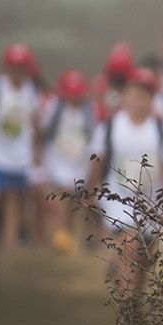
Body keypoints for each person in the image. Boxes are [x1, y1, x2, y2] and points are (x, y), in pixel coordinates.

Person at [87, 68, 163, 298]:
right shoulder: (110, 128)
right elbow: (97, 162)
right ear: (125, 96)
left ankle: (133, 301)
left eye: (145, 96)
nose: (139, 101)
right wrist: (90, 193)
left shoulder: (161, 130)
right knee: (130, 243)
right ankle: (127, 309)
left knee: (145, 258)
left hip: (151, 204)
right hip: (118, 202)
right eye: (134, 94)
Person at [0, 42, 44, 249]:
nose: (18, 73)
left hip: (20, 155)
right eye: (14, 68)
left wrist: (36, 150)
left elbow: (34, 123)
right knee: (1, 198)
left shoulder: (32, 92)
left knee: (16, 196)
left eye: (22, 68)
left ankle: (10, 240)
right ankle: (5, 236)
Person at [40, 68, 98, 252]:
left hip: (80, 162)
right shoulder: (54, 109)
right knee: (64, 195)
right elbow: (44, 131)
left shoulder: (90, 111)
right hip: (58, 160)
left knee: (75, 200)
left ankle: (72, 236)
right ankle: (61, 235)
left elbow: (94, 135)